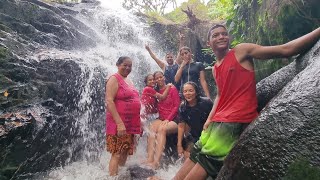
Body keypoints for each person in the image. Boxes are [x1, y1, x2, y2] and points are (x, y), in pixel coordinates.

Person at [173, 25, 320, 180]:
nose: (221, 37)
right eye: (215, 35)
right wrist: (210, 118)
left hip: (234, 122)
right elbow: (220, 95)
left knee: (205, 162)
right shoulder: (215, 68)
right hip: (217, 122)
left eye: (224, 34)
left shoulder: (241, 51)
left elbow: (286, 49)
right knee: (195, 155)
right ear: (208, 43)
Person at [105, 56, 141, 176]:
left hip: (130, 124)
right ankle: (112, 177)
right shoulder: (114, 79)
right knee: (117, 152)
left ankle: (119, 175)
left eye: (130, 66)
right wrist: (119, 123)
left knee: (125, 150)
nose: (127, 68)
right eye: (125, 65)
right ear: (117, 65)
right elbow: (109, 101)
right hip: (118, 123)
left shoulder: (129, 81)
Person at [144, 71, 180, 169]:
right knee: (151, 128)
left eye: (161, 77)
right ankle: (150, 158)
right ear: (155, 80)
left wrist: (168, 119)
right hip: (161, 118)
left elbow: (176, 106)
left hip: (174, 118)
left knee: (162, 129)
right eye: (157, 78)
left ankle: (157, 162)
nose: (159, 79)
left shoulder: (172, 88)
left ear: (164, 77)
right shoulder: (155, 91)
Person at [176, 82, 213, 159]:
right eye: (185, 91)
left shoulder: (206, 102)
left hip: (210, 135)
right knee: (187, 155)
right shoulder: (183, 107)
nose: (188, 93)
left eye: (190, 90)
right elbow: (181, 126)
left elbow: (215, 119)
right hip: (194, 136)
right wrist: (179, 145)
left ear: (196, 92)